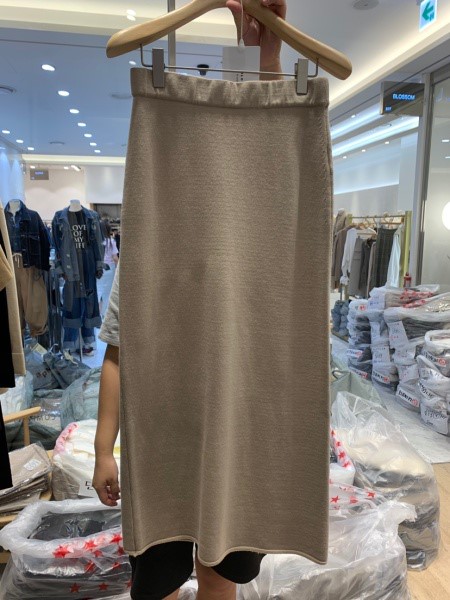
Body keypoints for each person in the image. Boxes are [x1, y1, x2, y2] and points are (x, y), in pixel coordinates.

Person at [93, 2, 287, 599]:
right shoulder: (150, 253)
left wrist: (267, 57)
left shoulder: (254, 253)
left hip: (236, 434)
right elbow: (117, 353)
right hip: (164, 441)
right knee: (158, 576)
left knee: (220, 570)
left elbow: (272, 167)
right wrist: (103, 450)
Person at [97, 220, 119, 318]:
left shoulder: (96, 242)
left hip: (99, 269)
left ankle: (96, 316)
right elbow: (115, 258)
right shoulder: (111, 241)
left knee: (98, 290)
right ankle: (105, 315)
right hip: (110, 269)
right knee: (107, 293)